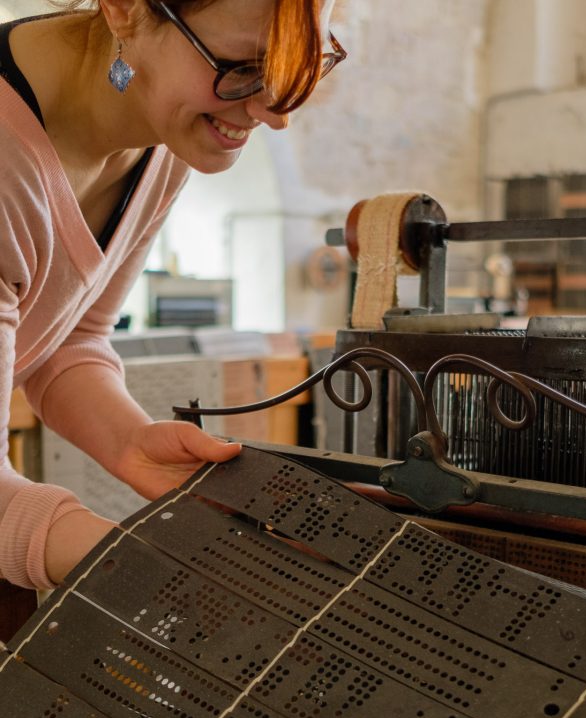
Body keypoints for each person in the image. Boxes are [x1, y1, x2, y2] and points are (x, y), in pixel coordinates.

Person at [0, 0, 343, 589]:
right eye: (242, 67)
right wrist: (143, 569)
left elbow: (69, 337)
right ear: (125, 10)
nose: (272, 113)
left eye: (296, 72)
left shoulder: (164, 132)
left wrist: (131, 442)